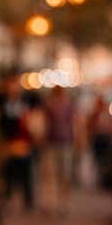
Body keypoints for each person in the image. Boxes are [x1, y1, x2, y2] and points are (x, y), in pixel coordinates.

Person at [0, 75, 35, 213]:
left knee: (26, 173)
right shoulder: (0, 102)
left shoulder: (25, 102)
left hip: (23, 143)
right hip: (6, 143)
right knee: (7, 173)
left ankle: (28, 201)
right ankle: (7, 198)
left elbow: (31, 122)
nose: (13, 90)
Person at [40, 86, 77, 215]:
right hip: (55, 142)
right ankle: (52, 203)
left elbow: (73, 123)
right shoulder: (50, 105)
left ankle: (61, 203)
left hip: (63, 142)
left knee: (61, 174)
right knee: (53, 174)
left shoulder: (67, 105)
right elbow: (45, 123)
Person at [88, 93, 112, 187]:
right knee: (97, 159)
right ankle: (99, 177)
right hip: (97, 138)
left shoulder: (108, 115)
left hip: (106, 138)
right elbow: (90, 127)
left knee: (105, 159)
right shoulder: (94, 115)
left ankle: (103, 178)